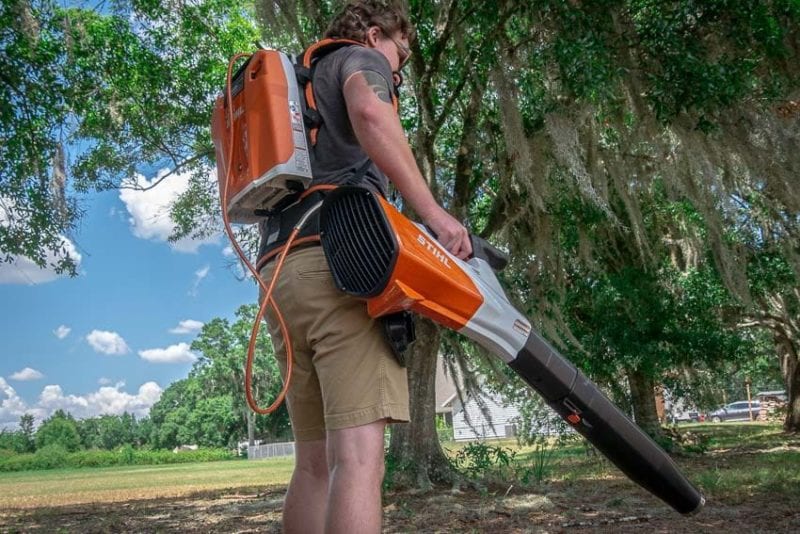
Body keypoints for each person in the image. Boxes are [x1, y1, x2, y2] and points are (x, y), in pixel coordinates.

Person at [257, 1, 472, 532]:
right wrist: (435, 215)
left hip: (281, 276)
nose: (396, 73)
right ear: (378, 35)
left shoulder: (303, 79)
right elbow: (372, 113)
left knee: (312, 466)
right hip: (341, 265)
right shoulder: (360, 58)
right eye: (398, 58)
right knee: (356, 462)